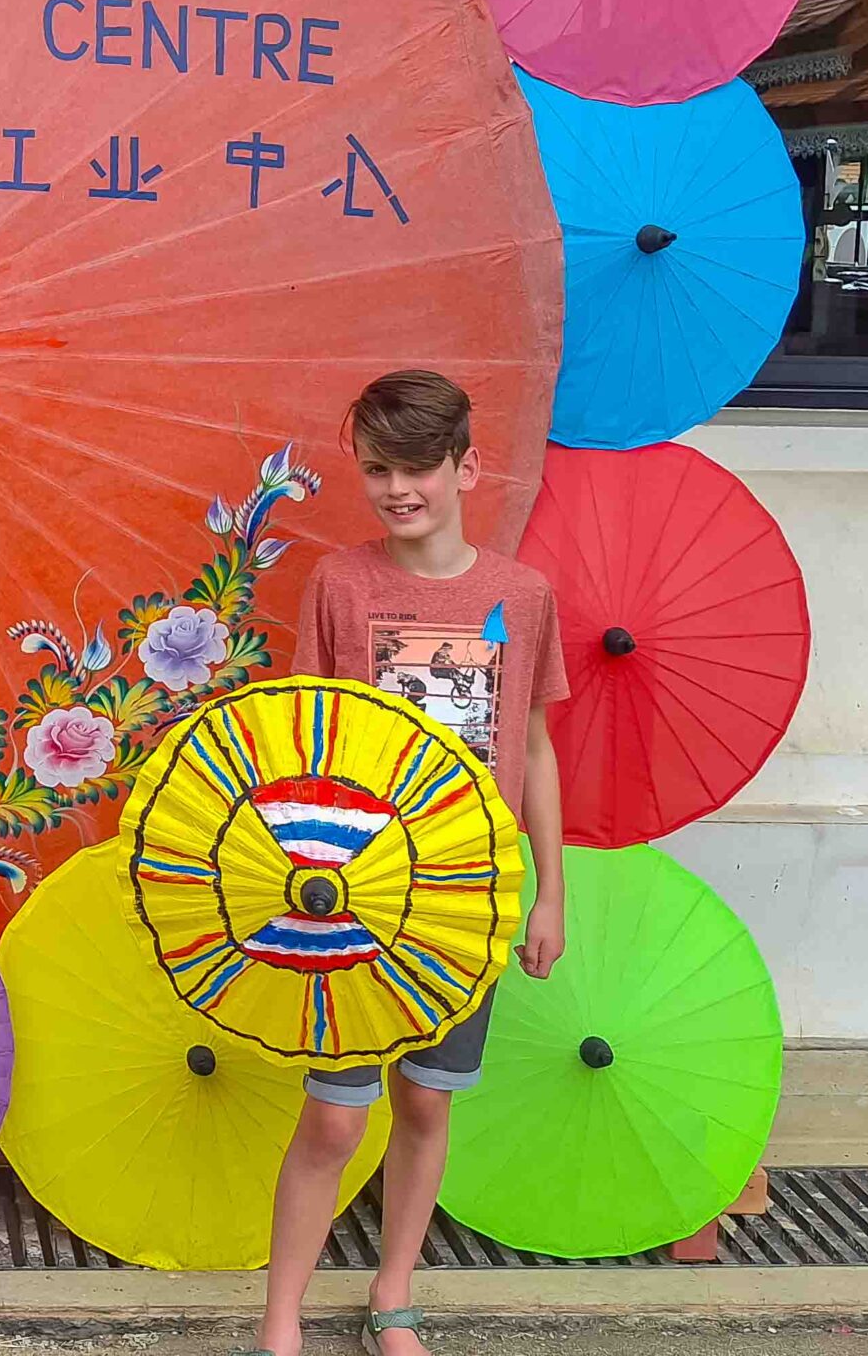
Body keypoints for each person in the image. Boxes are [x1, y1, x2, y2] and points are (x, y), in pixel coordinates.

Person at [253, 371, 568, 1356]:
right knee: (336, 1120)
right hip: (349, 892)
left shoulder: (520, 595)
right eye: (379, 469)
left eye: (418, 468)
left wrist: (548, 892)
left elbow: (533, 746)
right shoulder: (340, 584)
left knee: (426, 1100)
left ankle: (394, 1296)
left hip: (467, 896)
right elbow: (306, 741)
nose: (398, 490)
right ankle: (280, 1319)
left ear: (465, 466)